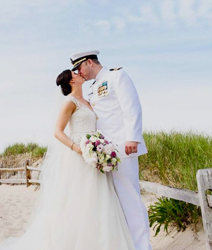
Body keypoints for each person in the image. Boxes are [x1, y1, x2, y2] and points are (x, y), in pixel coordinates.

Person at [0, 70, 135, 250]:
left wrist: (101, 148)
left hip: (94, 153)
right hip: (79, 154)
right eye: (75, 73)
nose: (80, 73)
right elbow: (57, 132)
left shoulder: (89, 102)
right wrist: (78, 149)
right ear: (72, 81)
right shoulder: (70, 102)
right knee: (80, 197)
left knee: (99, 196)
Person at [71, 50, 152, 250]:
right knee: (115, 202)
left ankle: (143, 247)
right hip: (103, 154)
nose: (79, 73)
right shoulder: (93, 87)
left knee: (130, 199)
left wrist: (132, 138)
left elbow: (131, 107)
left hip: (123, 149)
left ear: (89, 62)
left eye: (79, 68)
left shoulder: (116, 76)